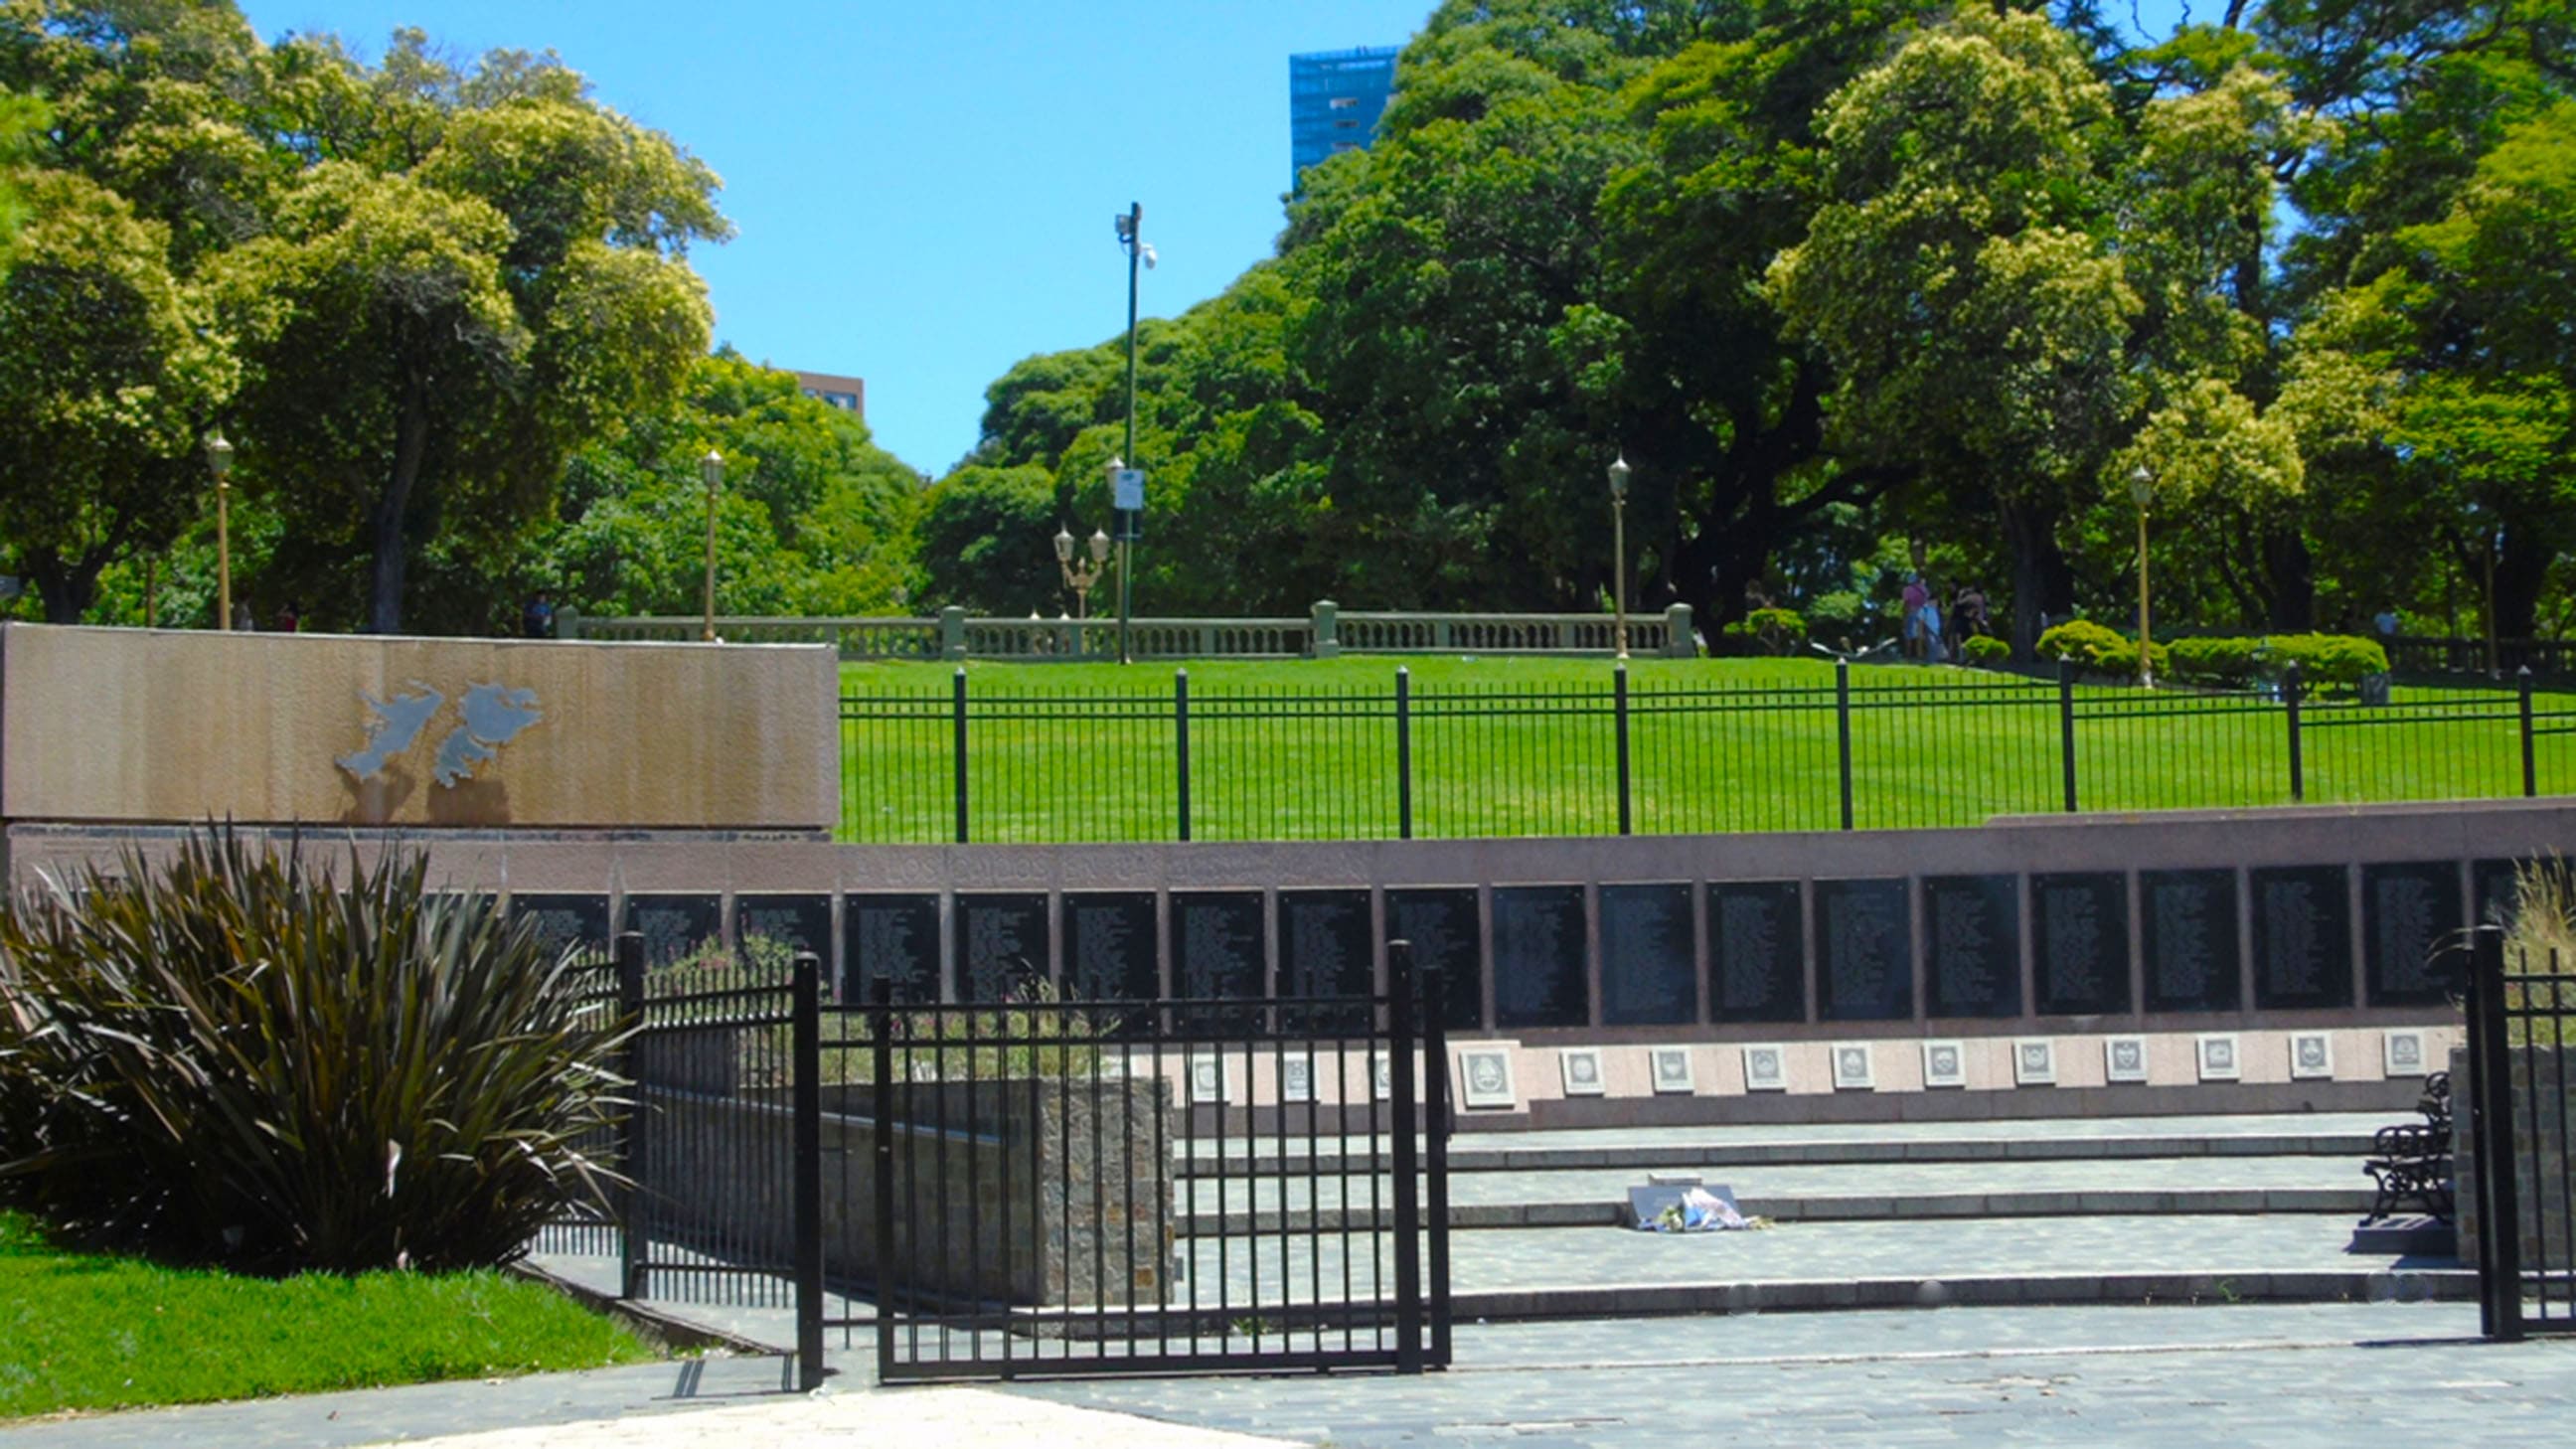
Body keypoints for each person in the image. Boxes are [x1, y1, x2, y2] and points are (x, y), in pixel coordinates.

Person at [1900, 574, 1929, 662]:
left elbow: (1906, 603)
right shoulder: (1924, 589)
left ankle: (1908, 655)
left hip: (1911, 612)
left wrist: (1904, 615)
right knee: (1920, 634)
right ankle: (1920, 654)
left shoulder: (1907, 590)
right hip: (1923, 612)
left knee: (1908, 634)